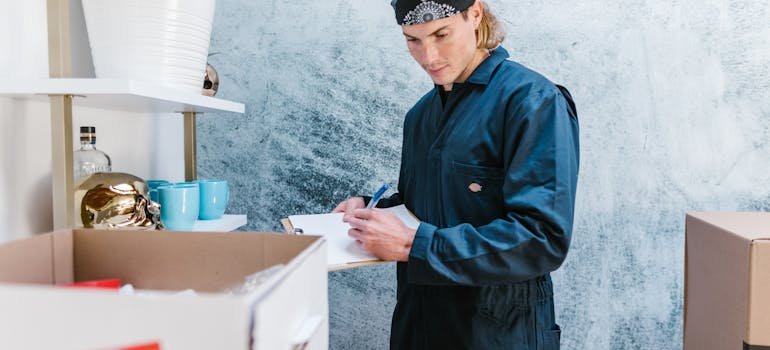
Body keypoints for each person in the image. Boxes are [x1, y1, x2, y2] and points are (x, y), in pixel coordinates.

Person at [332, 0, 579, 348]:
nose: (428, 56)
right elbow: (430, 205)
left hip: (497, 336)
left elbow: (542, 238)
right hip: (417, 329)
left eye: (441, 34)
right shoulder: (419, 116)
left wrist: (411, 244)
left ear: (475, 14)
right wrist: (372, 210)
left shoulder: (533, 101)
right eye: (412, 40)